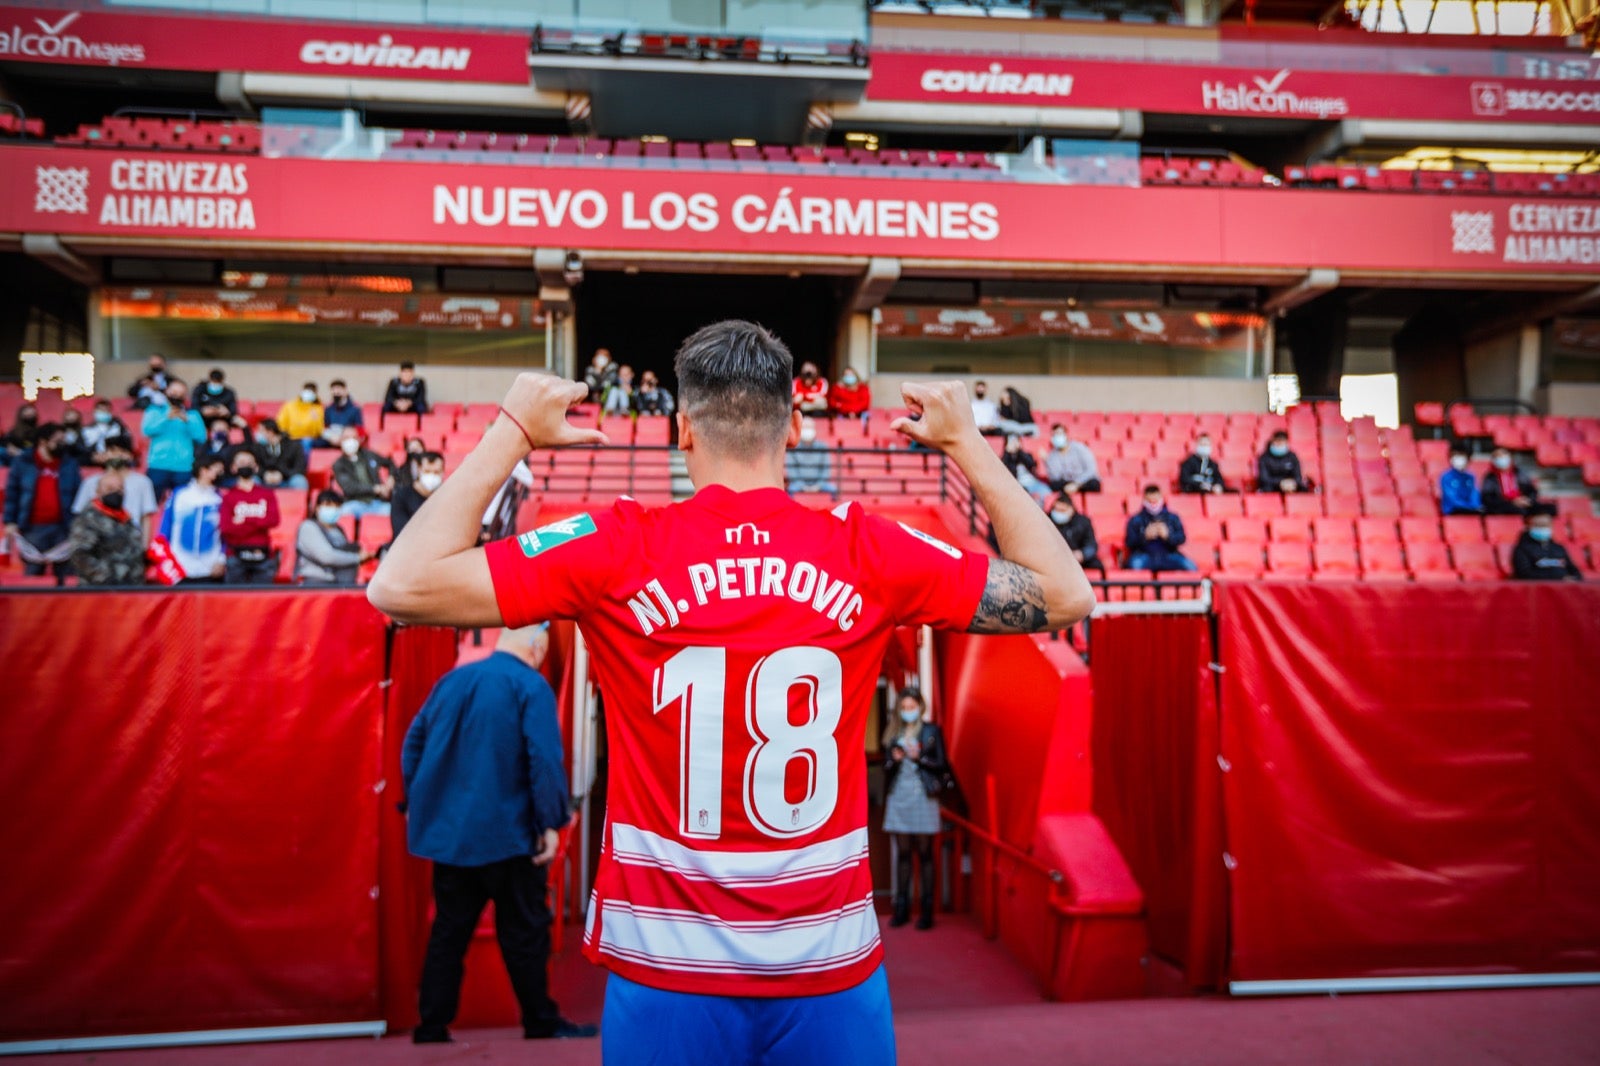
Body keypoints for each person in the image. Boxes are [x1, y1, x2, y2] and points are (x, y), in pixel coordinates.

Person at [367, 320, 1094, 1066]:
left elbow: (399, 585)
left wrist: (513, 430)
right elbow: (1065, 595)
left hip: (665, 968)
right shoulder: (869, 547)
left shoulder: (614, 544)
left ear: (681, 427)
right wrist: (968, 445)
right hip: (829, 966)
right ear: (799, 426)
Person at [402, 624, 597, 1045]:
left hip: (453, 838)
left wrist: (417, 803)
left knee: (448, 933)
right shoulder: (531, 685)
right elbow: (544, 759)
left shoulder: (452, 681)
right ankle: (539, 1021)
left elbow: (413, 743)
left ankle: (431, 1026)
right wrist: (550, 822)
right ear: (536, 646)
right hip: (510, 837)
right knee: (524, 933)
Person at [881, 687, 949, 932]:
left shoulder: (931, 731)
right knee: (903, 854)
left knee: (925, 852)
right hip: (899, 796)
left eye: (912, 707)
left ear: (920, 707)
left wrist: (918, 756)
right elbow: (886, 767)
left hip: (923, 796)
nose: (908, 711)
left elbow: (942, 764)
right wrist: (894, 759)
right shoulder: (892, 732)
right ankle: (902, 908)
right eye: (904, 707)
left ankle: (927, 910)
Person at [3, 423, 82, 579]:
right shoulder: (23, 463)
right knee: (33, 575)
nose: (62, 445)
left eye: (63, 441)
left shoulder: (70, 464)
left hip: (63, 528)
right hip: (32, 528)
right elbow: (12, 494)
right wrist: (9, 521)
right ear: (43, 441)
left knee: (66, 576)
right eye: (57, 441)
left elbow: (78, 495)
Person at [73, 437, 159, 546]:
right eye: (112, 451)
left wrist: (145, 549)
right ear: (103, 455)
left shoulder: (143, 482)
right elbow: (80, 516)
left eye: (121, 451)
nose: (116, 455)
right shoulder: (90, 483)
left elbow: (146, 518)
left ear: (129, 455)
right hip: (98, 545)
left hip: (130, 545)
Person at [68, 472, 146, 587]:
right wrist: (104, 578)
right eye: (110, 488)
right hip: (100, 591)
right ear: (98, 492)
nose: (116, 492)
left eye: (120, 489)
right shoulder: (88, 519)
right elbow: (80, 555)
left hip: (131, 588)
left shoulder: (126, 519)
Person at [158, 456, 226, 583]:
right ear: (203, 471)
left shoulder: (220, 499)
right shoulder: (179, 495)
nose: (221, 473)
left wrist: (221, 560)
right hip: (179, 568)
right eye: (217, 469)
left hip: (210, 569)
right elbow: (165, 528)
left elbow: (224, 534)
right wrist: (165, 561)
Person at [220, 451, 281, 584]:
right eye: (241, 463)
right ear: (233, 468)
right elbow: (226, 527)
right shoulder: (228, 496)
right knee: (233, 600)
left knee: (264, 601)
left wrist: (244, 520)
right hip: (235, 556)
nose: (245, 466)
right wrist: (259, 523)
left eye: (249, 463)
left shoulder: (267, 494)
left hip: (263, 555)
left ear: (256, 467)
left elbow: (274, 520)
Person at [141, 379, 206, 500]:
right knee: (153, 503)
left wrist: (187, 421)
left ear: (185, 396)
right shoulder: (154, 410)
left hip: (183, 467)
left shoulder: (192, 415)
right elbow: (147, 431)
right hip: (158, 465)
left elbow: (201, 437)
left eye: (181, 393)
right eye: (174, 392)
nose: (177, 395)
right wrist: (166, 418)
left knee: (182, 504)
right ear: (166, 391)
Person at [294, 490, 373, 585]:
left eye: (337, 506)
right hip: (315, 583)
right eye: (328, 505)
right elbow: (326, 556)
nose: (333, 509)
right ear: (317, 508)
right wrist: (357, 558)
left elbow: (343, 553)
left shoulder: (338, 530)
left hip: (338, 582)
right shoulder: (308, 527)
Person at [1124, 484, 1196, 572]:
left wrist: (1168, 536)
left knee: (1190, 566)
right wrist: (1144, 536)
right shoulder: (1135, 519)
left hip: (1169, 555)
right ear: (1144, 500)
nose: (1153, 504)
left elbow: (1181, 538)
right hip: (1145, 555)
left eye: (1155, 501)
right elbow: (1129, 542)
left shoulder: (1172, 517)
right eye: (1150, 501)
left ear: (1161, 498)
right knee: (1135, 565)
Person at [332, 427, 395, 518]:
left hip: (377, 502)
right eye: (346, 438)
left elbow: (390, 463)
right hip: (354, 503)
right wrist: (375, 488)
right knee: (344, 512)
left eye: (353, 437)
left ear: (359, 439)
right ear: (341, 441)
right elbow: (350, 488)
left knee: (394, 510)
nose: (350, 441)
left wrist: (391, 478)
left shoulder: (369, 455)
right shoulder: (339, 464)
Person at [1481, 447, 1555, 516]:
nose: (1502, 459)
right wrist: (1512, 502)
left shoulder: (1519, 473)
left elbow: (1531, 491)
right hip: (1504, 506)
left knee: (1550, 508)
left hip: (1523, 503)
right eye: (1498, 457)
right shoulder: (1490, 477)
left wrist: (1527, 500)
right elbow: (1488, 499)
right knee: (1517, 510)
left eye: (1504, 456)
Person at [1509, 513, 1582, 581]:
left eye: (1545, 525)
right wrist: (1559, 578)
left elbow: (1574, 571)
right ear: (1528, 527)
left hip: (1564, 589)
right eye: (1538, 526)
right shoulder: (1522, 549)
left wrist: (1574, 578)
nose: (1542, 529)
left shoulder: (1559, 548)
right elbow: (1524, 574)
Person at [392, 451, 445, 538]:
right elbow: (400, 531)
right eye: (427, 471)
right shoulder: (402, 496)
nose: (431, 476)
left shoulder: (446, 496)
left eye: (436, 472)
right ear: (419, 470)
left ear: (442, 472)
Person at [1048, 494, 1102, 574]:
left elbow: (1092, 545)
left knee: (1097, 565)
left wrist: (1082, 554)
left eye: (1062, 510)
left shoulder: (1083, 522)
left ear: (1071, 510)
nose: (1058, 513)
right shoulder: (1047, 520)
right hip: (1055, 558)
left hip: (1079, 559)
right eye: (1056, 509)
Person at [784, 417, 836, 494]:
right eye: (805, 427)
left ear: (814, 429)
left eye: (809, 427)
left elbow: (826, 470)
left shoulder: (822, 447)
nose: (807, 430)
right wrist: (803, 486)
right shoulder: (793, 448)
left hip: (820, 484)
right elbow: (792, 471)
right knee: (791, 490)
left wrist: (818, 486)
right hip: (798, 484)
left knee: (834, 490)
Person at [251, 419, 308, 490]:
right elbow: (256, 467)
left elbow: (300, 468)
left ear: (270, 431)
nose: (258, 434)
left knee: (299, 481)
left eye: (261, 431)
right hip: (265, 480)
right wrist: (264, 474)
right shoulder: (258, 447)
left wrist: (282, 474)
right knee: (252, 480)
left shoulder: (293, 446)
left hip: (287, 479)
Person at [1043, 425, 1101, 494]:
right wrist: (1047, 461)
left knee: (1094, 484)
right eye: (1054, 435)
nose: (1056, 437)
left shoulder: (1080, 448)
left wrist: (1077, 484)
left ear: (1066, 435)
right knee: (1053, 485)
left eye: (1059, 434)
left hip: (1083, 481)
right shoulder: (1052, 455)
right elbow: (1055, 477)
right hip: (1067, 482)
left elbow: (1091, 469)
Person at [970, 381, 1037, 437]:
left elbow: (1021, 419)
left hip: (1024, 426)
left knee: (1002, 425)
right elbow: (1002, 417)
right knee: (1005, 428)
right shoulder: (971, 405)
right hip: (978, 429)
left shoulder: (991, 406)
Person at [1002, 435, 1051, 505]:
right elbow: (1003, 470)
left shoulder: (1025, 455)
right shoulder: (1005, 458)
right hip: (1018, 486)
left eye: (1016, 441)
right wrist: (1007, 452)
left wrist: (1020, 450)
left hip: (1033, 483)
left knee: (1046, 492)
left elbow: (1032, 464)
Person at [277, 382, 326, 446]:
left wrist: (316, 419)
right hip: (291, 437)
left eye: (311, 391)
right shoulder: (289, 406)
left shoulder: (318, 408)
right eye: (307, 390)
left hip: (309, 439)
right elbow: (281, 423)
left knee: (306, 442)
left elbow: (319, 430)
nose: (308, 393)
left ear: (315, 394)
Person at [81, 399, 131, 464]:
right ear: (95, 411)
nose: (103, 412)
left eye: (106, 410)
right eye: (101, 410)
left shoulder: (118, 427)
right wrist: (94, 455)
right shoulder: (86, 429)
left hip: (114, 457)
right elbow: (81, 448)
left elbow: (127, 443)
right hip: (93, 458)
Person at [1439, 447, 1483, 516]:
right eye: (1456, 456)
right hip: (1452, 510)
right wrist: (1468, 507)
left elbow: (1474, 494)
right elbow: (1451, 498)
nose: (1459, 459)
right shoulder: (1446, 477)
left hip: (1469, 509)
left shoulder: (1471, 476)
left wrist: (1476, 506)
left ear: (1468, 459)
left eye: (1462, 456)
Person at [322, 379, 365, 443]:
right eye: (333, 390)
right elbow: (325, 427)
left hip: (348, 439)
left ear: (345, 391)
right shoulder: (328, 409)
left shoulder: (355, 409)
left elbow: (360, 430)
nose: (336, 392)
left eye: (339, 389)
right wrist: (330, 437)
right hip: (331, 438)